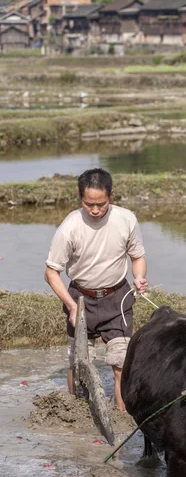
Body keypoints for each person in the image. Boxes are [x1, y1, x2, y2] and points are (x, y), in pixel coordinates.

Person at [45, 167, 148, 411]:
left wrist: (139, 277)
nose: (94, 210)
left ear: (111, 195)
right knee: (79, 361)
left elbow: (138, 257)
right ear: (80, 198)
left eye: (100, 204)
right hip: (81, 299)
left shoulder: (126, 219)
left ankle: (122, 412)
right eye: (88, 203)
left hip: (118, 298)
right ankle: (76, 410)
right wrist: (71, 306)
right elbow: (51, 273)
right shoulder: (69, 227)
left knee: (121, 361)